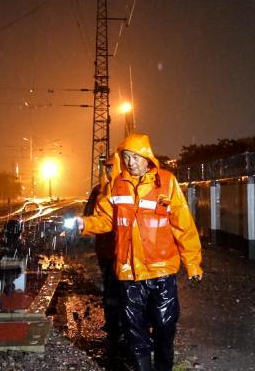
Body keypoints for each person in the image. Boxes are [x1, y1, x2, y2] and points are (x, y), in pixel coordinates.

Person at [75, 133, 203, 371]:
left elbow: (183, 225)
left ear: (147, 158)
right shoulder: (116, 185)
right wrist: (85, 224)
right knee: (134, 329)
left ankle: (163, 367)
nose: (131, 162)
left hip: (162, 269)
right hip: (128, 271)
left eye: (135, 157)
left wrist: (193, 263)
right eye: (126, 157)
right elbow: (105, 220)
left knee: (165, 325)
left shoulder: (166, 182)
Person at [83, 153, 122, 367]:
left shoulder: (124, 188)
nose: (109, 171)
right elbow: (89, 216)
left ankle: (119, 325)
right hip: (107, 249)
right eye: (107, 168)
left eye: (112, 167)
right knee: (110, 286)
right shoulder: (99, 190)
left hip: (123, 249)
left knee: (122, 287)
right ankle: (113, 325)